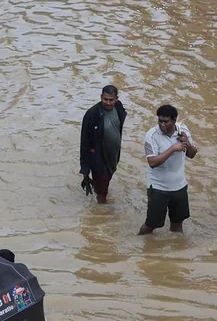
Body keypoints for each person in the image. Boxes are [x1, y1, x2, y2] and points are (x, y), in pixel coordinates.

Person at [139, 105, 198, 235]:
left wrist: (187, 143)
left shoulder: (183, 130)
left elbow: (192, 154)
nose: (162, 124)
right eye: (160, 121)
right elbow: (152, 162)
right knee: (151, 225)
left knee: (177, 224)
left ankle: (178, 250)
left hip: (180, 187)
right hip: (158, 188)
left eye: (166, 121)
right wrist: (172, 149)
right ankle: (139, 245)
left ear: (174, 120)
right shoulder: (151, 136)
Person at [79, 85, 127, 204]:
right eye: (105, 99)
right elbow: (84, 142)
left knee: (105, 180)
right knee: (102, 191)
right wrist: (85, 169)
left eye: (111, 100)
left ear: (116, 99)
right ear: (101, 97)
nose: (108, 103)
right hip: (99, 158)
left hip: (114, 156)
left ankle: (98, 189)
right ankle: (102, 211)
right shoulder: (92, 115)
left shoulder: (119, 108)